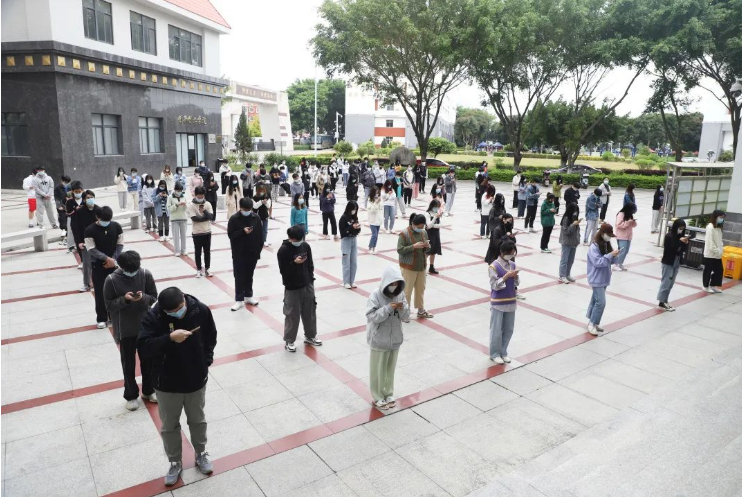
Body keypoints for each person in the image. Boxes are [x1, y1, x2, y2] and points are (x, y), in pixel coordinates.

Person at [136, 287, 217, 486]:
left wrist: (206, 360)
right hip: (166, 383)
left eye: (180, 308)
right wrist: (170, 338)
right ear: (164, 310)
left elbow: (211, 337)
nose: (177, 312)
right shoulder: (154, 317)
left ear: (184, 299)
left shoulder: (200, 310)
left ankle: (201, 453)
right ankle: (174, 461)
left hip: (195, 379)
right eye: (172, 312)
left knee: (197, 420)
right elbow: (144, 347)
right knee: (169, 425)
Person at [103, 250, 157, 410]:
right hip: (125, 329)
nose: (133, 273)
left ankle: (148, 390)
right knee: (128, 364)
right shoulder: (111, 280)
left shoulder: (145, 274)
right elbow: (108, 305)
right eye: (129, 270)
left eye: (135, 270)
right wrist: (124, 300)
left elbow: (154, 297)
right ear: (121, 267)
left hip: (145, 327)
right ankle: (131, 395)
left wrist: (143, 298)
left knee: (148, 362)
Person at [366, 265, 409, 410]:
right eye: (391, 283)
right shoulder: (375, 295)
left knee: (390, 369)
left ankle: (388, 393)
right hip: (379, 339)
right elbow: (371, 316)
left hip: (394, 339)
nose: (394, 286)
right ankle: (377, 396)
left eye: (397, 283)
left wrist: (403, 308)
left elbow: (406, 317)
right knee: (377, 370)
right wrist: (388, 308)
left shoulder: (400, 295)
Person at [277, 225, 324, 352]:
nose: (298, 242)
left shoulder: (305, 246)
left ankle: (310, 336)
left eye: (300, 239)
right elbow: (283, 271)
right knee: (292, 315)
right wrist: (294, 263)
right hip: (292, 288)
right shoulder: (283, 250)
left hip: (307, 284)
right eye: (296, 239)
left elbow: (310, 264)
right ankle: (289, 341)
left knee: (310, 312)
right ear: (290, 238)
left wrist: (310, 279)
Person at [84, 206, 124, 328]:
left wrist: (113, 259)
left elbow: (120, 244)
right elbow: (91, 249)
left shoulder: (116, 226)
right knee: (100, 292)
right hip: (98, 265)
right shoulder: (90, 230)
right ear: (97, 217)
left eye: (108, 220)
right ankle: (101, 318)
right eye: (103, 220)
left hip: (114, 264)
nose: (106, 222)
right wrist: (106, 258)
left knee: (116, 291)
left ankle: (114, 316)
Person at [228, 198, 264, 310]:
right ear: (240, 208)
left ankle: (248, 296)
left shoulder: (256, 218)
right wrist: (242, 231)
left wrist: (258, 250)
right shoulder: (234, 219)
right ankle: (239, 299)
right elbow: (231, 235)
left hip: (252, 253)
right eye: (245, 209)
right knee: (239, 276)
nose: (247, 211)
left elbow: (260, 235)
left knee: (249, 275)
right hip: (239, 253)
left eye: (249, 209)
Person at [488, 240, 519, 364]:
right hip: (498, 302)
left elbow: (516, 283)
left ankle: (503, 352)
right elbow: (494, 285)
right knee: (496, 330)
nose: (511, 256)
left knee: (509, 329)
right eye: (509, 253)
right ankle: (494, 353)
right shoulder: (493, 266)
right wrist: (506, 277)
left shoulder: (513, 265)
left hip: (511, 300)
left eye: (513, 253)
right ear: (502, 252)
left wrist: (515, 276)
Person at [397, 214, 434, 319]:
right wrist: (413, 246)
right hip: (408, 267)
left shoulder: (423, 232)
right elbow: (400, 250)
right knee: (407, 291)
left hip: (421, 266)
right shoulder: (404, 234)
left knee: (420, 289)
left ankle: (421, 310)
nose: (421, 229)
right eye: (419, 227)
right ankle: (404, 312)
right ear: (413, 224)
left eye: (423, 227)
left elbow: (426, 250)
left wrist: (427, 246)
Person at [586, 223, 620, 335]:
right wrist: (610, 255)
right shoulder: (594, 247)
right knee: (601, 302)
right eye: (608, 235)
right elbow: (598, 262)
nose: (609, 237)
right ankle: (592, 323)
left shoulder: (606, 244)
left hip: (604, 277)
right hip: (596, 278)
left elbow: (610, 261)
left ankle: (593, 322)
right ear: (602, 233)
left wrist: (615, 255)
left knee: (595, 300)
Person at [657, 219, 689, 310]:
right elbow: (670, 249)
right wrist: (679, 242)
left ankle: (665, 300)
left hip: (676, 261)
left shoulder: (680, 236)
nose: (681, 230)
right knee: (666, 282)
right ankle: (661, 301)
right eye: (680, 228)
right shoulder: (669, 236)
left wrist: (685, 243)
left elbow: (683, 249)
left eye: (683, 229)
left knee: (671, 283)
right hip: (668, 261)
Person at [71, 190, 100, 292]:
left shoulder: (98, 210)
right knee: (87, 264)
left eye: (92, 197)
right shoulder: (80, 212)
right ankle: (86, 284)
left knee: (99, 263)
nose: (90, 199)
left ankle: (99, 282)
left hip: (98, 240)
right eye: (88, 198)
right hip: (85, 241)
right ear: (84, 200)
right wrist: (79, 242)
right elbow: (77, 229)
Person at [187, 187, 213, 277]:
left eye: (202, 195)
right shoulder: (191, 205)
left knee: (207, 251)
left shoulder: (207, 204)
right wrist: (205, 218)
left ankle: (207, 268)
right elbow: (194, 218)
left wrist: (204, 211)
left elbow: (211, 217)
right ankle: (198, 269)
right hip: (197, 232)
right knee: (198, 252)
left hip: (207, 232)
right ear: (195, 194)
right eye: (199, 195)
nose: (201, 197)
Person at [702, 210, 726, 293]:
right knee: (708, 271)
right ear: (715, 217)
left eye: (723, 217)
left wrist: (721, 250)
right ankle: (705, 286)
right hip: (710, 253)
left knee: (719, 270)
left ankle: (713, 285)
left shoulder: (718, 227)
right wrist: (717, 250)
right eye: (720, 217)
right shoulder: (710, 227)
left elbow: (719, 240)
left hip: (717, 254)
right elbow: (710, 242)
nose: (722, 219)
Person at [339, 201, 361, 288]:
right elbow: (342, 232)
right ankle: (346, 281)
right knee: (346, 262)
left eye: (355, 209)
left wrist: (357, 228)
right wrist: (351, 227)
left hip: (354, 239)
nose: (354, 211)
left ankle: (352, 281)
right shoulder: (343, 218)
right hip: (346, 240)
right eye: (353, 209)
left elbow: (357, 230)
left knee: (354, 262)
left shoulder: (354, 217)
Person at [558, 203, 581, 284]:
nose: (576, 213)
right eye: (575, 211)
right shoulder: (566, 218)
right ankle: (562, 276)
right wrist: (573, 224)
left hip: (573, 242)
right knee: (564, 260)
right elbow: (566, 231)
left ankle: (567, 274)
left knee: (571, 260)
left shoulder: (574, 218)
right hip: (566, 242)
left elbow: (577, 231)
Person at [614, 204, 637, 271]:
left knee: (626, 251)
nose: (633, 212)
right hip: (621, 236)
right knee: (622, 251)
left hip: (628, 236)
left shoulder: (629, 215)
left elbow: (634, 226)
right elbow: (619, 225)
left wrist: (633, 222)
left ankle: (620, 263)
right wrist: (628, 222)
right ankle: (616, 264)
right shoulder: (621, 214)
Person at [168, 184, 188, 257]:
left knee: (184, 235)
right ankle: (177, 251)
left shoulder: (184, 196)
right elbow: (169, 208)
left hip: (183, 218)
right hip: (174, 219)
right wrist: (176, 205)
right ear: (175, 189)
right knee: (175, 236)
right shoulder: (170, 197)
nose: (179, 192)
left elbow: (187, 208)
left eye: (180, 190)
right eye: (178, 190)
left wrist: (185, 205)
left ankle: (184, 250)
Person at [64, 180, 84, 252]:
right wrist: (75, 210)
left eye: (79, 191)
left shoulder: (85, 199)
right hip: (73, 219)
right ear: (73, 191)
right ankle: (71, 246)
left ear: (82, 190)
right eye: (76, 192)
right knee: (71, 232)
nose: (78, 193)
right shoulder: (69, 201)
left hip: (83, 219)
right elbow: (67, 213)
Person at [425, 199, 444, 274]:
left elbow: (440, 225)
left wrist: (433, 225)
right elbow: (428, 226)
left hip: (436, 234)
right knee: (427, 252)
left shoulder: (437, 213)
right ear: (432, 206)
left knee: (433, 251)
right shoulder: (427, 214)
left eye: (438, 207)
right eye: (436, 207)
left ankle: (431, 267)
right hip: (429, 235)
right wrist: (435, 218)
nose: (437, 208)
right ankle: (422, 268)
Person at [53, 175, 71, 244]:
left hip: (68, 206)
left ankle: (67, 234)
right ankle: (64, 234)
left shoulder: (69, 187)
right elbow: (56, 198)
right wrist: (59, 206)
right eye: (66, 182)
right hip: (61, 206)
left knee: (68, 220)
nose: (67, 184)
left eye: (68, 182)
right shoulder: (57, 188)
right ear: (62, 181)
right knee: (63, 220)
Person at [367, 187, 382, 253]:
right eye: (376, 193)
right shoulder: (370, 200)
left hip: (378, 220)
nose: (377, 194)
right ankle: (370, 247)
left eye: (378, 193)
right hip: (372, 220)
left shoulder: (380, 199)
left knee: (376, 235)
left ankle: (374, 247)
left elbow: (381, 208)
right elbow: (372, 210)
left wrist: (379, 202)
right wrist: (376, 203)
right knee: (374, 235)